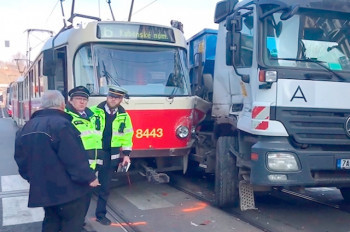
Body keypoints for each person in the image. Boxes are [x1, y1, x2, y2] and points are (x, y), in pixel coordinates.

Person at [14, 90, 100, 232]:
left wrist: (33, 179)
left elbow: (21, 160)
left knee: (51, 222)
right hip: (69, 192)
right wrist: (89, 178)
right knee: (72, 225)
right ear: (62, 104)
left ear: (42, 105)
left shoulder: (26, 127)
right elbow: (74, 158)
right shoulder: (62, 125)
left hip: (44, 190)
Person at [90, 85, 134, 225]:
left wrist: (126, 155)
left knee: (105, 188)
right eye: (111, 96)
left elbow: (127, 136)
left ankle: (100, 215)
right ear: (107, 96)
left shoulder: (124, 116)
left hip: (110, 157)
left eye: (116, 97)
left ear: (121, 99)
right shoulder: (92, 112)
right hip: (94, 155)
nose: (113, 99)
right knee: (85, 188)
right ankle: (78, 219)